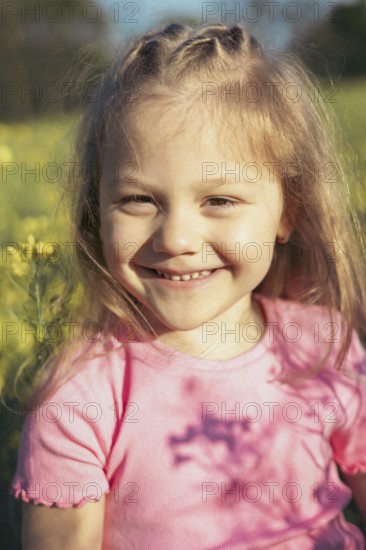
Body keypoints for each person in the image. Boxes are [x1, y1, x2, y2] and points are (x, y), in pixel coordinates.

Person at [12, 22, 366, 549]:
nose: (176, 238)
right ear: (98, 211)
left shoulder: (323, 347)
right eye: (138, 200)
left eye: (218, 201)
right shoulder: (82, 395)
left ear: (286, 212)